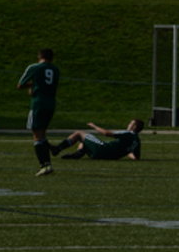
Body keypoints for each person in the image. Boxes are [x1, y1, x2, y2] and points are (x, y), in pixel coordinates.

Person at [17, 48, 60, 176]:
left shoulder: (34, 67)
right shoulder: (55, 69)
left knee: (37, 135)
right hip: (51, 103)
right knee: (42, 133)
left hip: (38, 103)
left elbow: (20, 85)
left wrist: (32, 85)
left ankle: (45, 165)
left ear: (39, 56)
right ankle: (52, 149)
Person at [49, 119, 144, 161]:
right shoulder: (137, 141)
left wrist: (94, 126)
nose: (128, 125)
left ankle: (58, 149)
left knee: (79, 133)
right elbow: (136, 157)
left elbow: (107, 133)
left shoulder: (128, 133)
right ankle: (79, 152)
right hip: (110, 157)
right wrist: (125, 152)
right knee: (87, 140)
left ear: (134, 127)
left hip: (103, 150)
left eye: (130, 123)